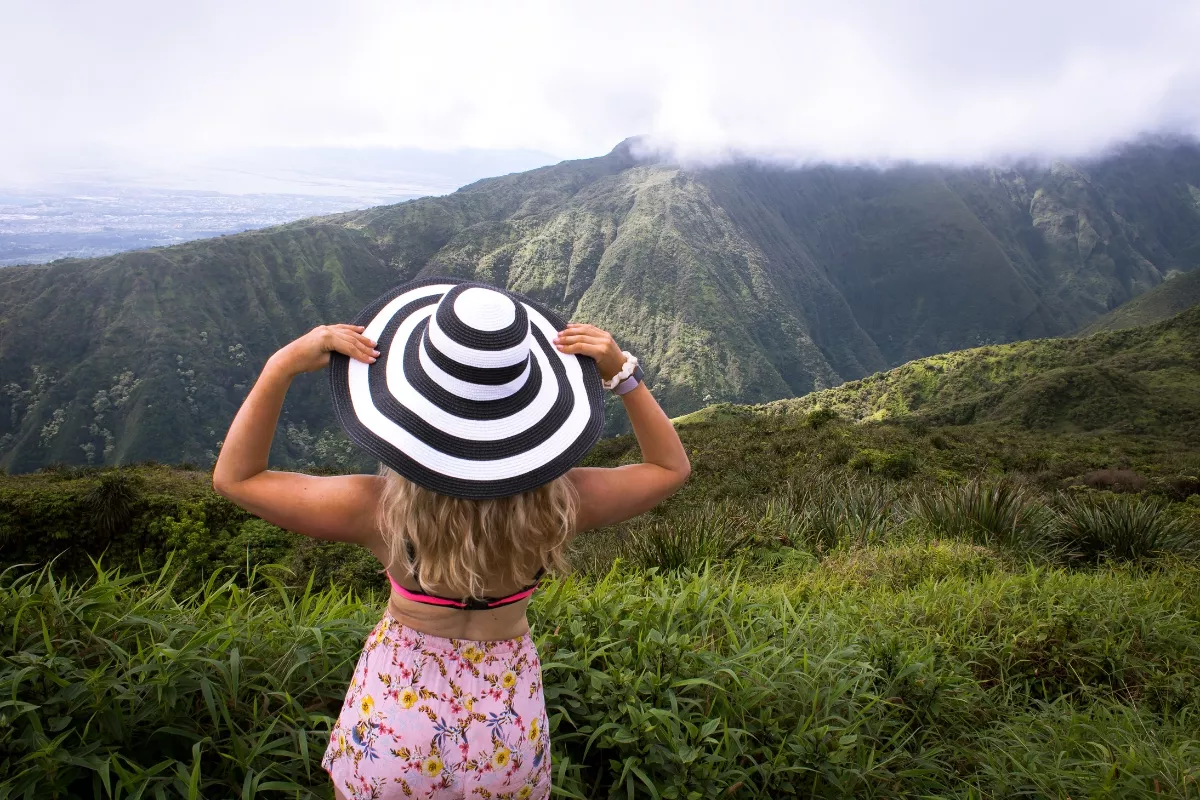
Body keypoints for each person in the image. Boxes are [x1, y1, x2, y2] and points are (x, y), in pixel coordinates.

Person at [213, 278, 690, 800]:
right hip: (505, 721)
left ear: (413, 408)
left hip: (398, 716)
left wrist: (282, 364)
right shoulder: (563, 503)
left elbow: (237, 479)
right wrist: (622, 374)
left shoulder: (379, 511)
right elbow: (669, 467)